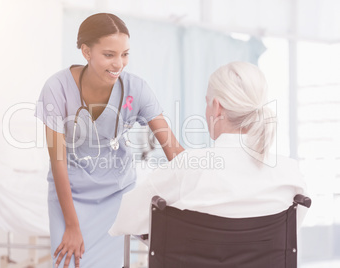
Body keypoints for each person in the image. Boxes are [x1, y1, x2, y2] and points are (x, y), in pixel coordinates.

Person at [35, 13, 184, 268]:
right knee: (68, 263)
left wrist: (203, 181)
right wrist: (71, 225)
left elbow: (173, 150)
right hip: (71, 195)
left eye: (125, 54)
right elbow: (57, 161)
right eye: (109, 54)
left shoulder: (136, 89)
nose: (119, 64)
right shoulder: (57, 88)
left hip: (117, 194)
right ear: (86, 51)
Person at [109, 61, 308, 236]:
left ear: (217, 107)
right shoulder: (291, 175)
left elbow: (125, 220)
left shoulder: (187, 168)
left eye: (207, 103)